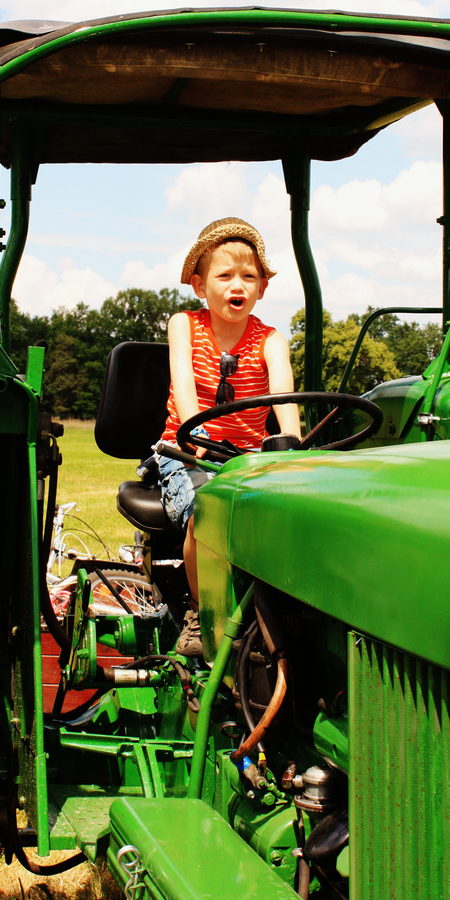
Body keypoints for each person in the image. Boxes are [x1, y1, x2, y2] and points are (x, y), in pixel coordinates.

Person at [157, 217, 301, 656]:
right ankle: (199, 617)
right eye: (224, 276)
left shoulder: (271, 340)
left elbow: (285, 398)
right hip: (186, 453)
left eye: (249, 276)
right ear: (200, 285)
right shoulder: (184, 325)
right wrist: (194, 431)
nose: (237, 285)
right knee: (209, 513)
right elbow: (184, 386)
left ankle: (273, 621)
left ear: (262, 288)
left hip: (247, 459)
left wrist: (291, 441)